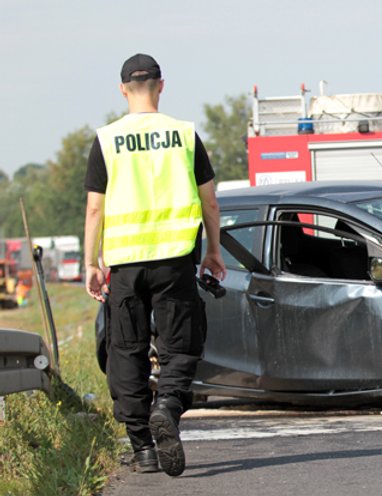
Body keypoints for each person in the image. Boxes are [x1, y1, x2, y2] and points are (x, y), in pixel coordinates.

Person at [83, 53, 226, 476]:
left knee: (125, 351)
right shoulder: (184, 135)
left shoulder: (107, 139)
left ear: (123, 90)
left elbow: (95, 209)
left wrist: (91, 262)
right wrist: (214, 252)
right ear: (162, 86)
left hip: (125, 266)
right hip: (175, 261)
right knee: (180, 345)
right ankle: (166, 405)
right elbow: (210, 201)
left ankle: (143, 447)